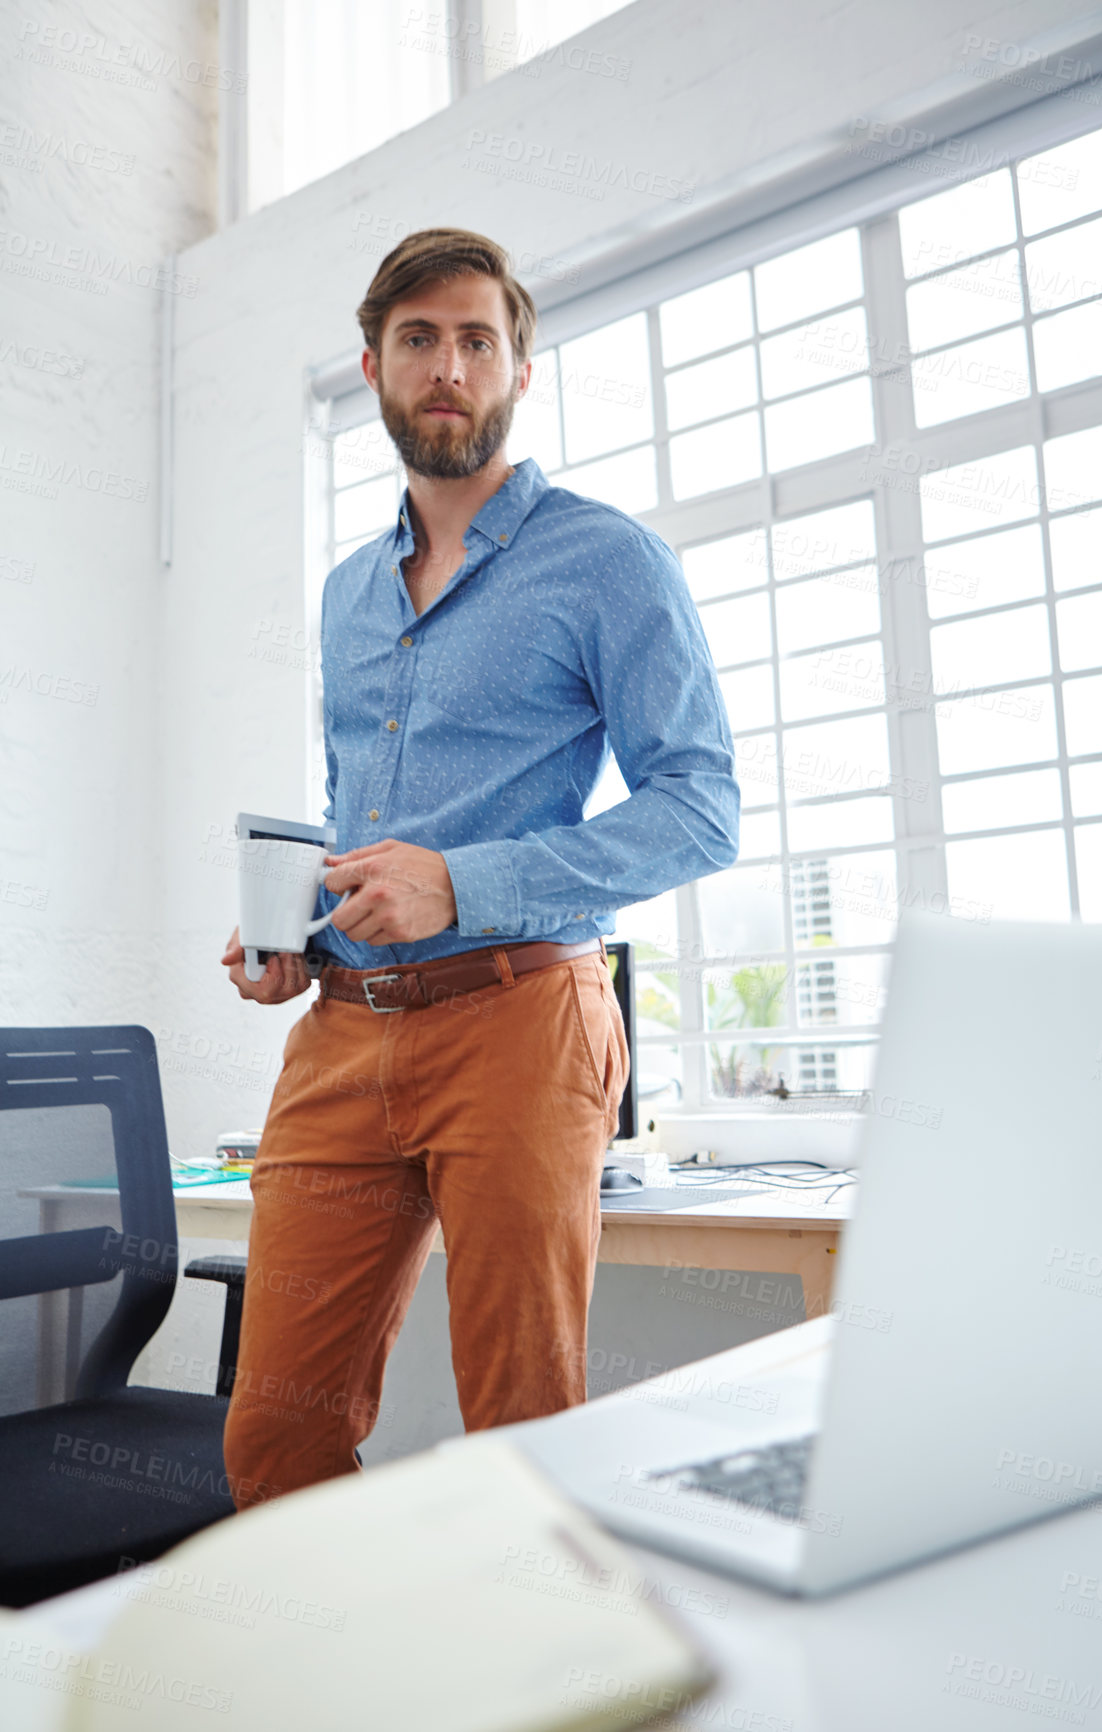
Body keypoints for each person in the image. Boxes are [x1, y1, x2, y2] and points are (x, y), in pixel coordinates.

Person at [219, 227, 740, 1507]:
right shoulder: (349, 593)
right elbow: (365, 812)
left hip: (521, 1017)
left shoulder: (607, 560)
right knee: (272, 1439)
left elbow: (699, 805)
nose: (446, 364)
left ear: (517, 369)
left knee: (521, 1436)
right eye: (416, 339)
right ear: (372, 367)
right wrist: (301, 926)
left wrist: (466, 880)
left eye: (475, 339)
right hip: (343, 1032)